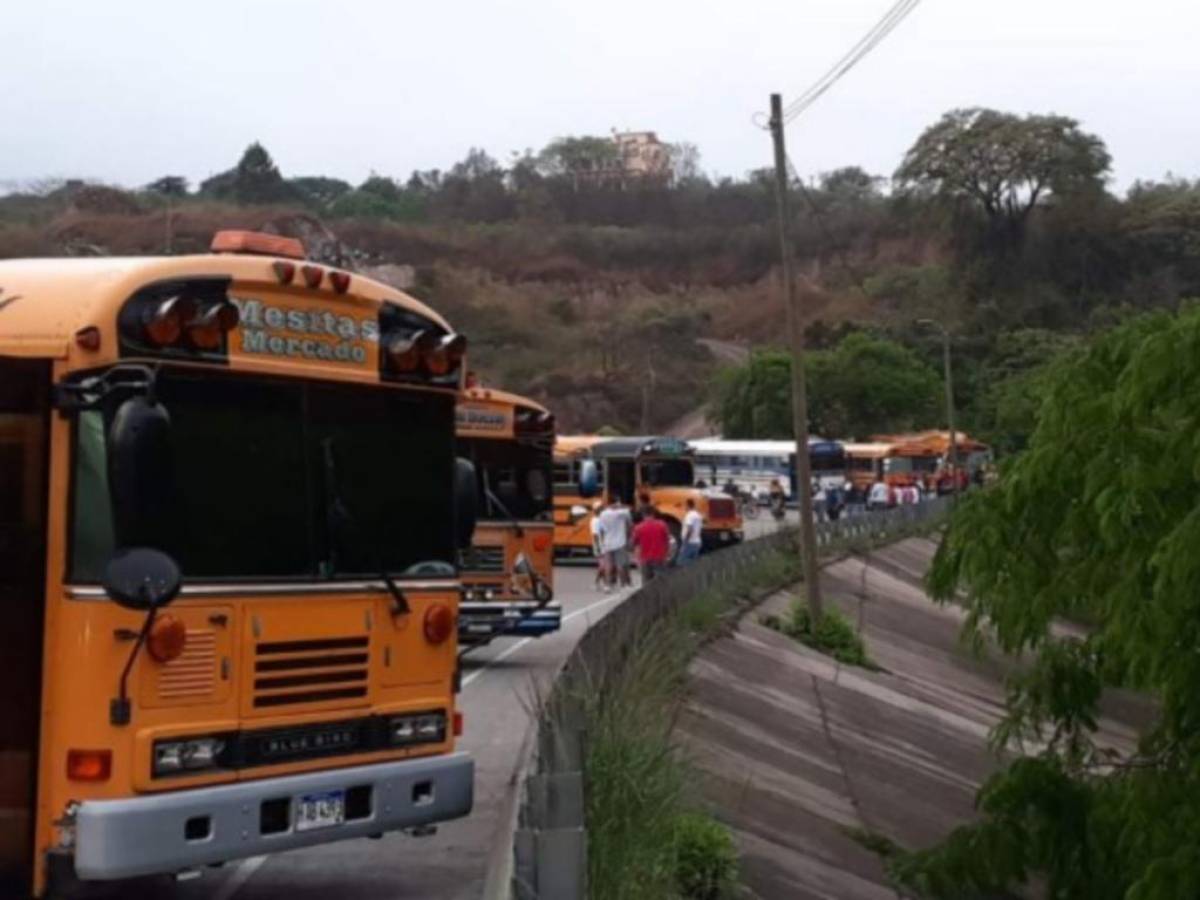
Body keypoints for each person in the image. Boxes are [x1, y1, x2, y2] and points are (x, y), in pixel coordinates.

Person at [596, 496, 634, 588]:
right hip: (620, 542)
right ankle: (623, 585)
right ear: (617, 503)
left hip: (608, 542)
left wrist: (602, 541)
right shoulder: (623, 513)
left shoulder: (603, 514)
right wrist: (629, 537)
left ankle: (607, 585)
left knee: (608, 565)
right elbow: (630, 525)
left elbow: (601, 530)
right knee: (620, 565)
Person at [631, 506, 672, 583]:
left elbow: (634, 543)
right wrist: (667, 554)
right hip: (659, 556)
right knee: (660, 581)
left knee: (646, 581)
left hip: (644, 558)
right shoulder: (662, 525)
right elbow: (667, 541)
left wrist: (636, 558)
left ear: (643, 515)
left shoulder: (638, 528)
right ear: (653, 514)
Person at [589, 501, 608, 591]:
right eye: (600, 508)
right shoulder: (595, 521)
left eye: (602, 507)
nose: (602, 509)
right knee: (603, 566)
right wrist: (598, 547)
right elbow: (595, 535)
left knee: (602, 566)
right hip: (599, 545)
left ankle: (596, 583)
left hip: (604, 545)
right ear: (596, 510)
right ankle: (605, 585)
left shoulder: (602, 519)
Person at [680, 498, 704, 564]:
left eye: (685, 505)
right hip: (697, 542)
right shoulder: (698, 515)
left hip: (690, 542)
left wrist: (685, 542)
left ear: (688, 505)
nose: (684, 507)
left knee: (682, 563)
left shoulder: (689, 515)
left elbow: (690, 529)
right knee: (693, 565)